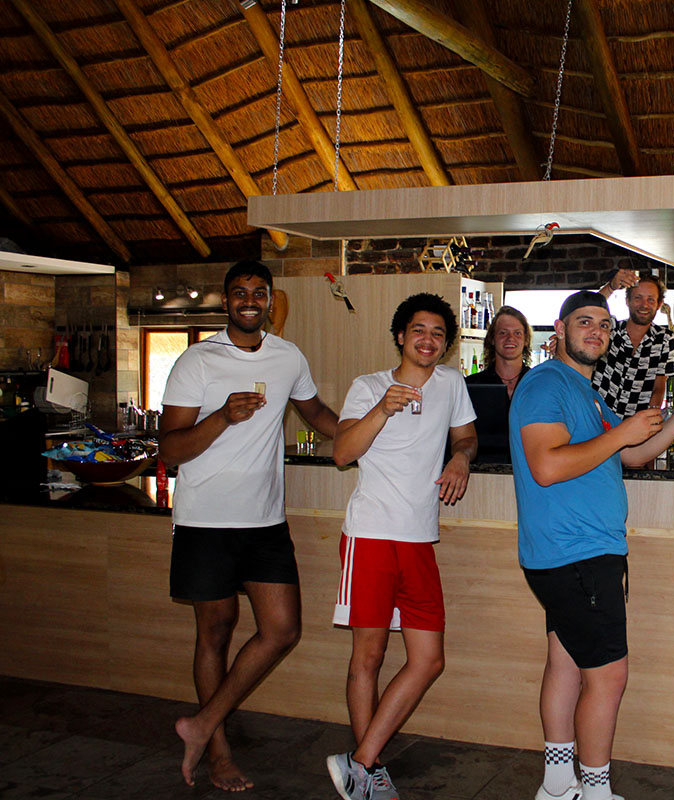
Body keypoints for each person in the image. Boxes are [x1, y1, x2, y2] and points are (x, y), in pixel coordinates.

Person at [510, 290, 674, 800]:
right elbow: (548, 466)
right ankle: (596, 790)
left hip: (577, 552)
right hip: (574, 552)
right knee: (609, 676)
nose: (596, 331)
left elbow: (634, 455)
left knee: (566, 661)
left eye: (604, 324)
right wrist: (619, 433)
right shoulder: (544, 384)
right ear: (559, 329)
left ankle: (558, 783)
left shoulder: (586, 390)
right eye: (585, 322)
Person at [161, 259, 339, 791]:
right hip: (204, 520)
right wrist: (221, 417)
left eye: (258, 292)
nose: (249, 300)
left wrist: (368, 433)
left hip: (264, 521)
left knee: (281, 630)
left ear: (268, 300)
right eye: (239, 292)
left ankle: (200, 723)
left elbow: (318, 415)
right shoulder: (197, 361)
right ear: (225, 301)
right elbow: (170, 450)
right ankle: (217, 752)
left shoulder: (288, 357)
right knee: (213, 633)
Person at [325, 293, 478, 800]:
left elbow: (467, 437)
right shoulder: (368, 386)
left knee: (428, 658)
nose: (427, 340)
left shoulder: (453, 383)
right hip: (370, 535)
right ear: (400, 335)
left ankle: (360, 763)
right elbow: (342, 453)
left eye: (437, 333)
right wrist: (381, 408)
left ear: (446, 343)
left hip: (418, 539)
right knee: (367, 657)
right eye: (418, 330)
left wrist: (460, 459)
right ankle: (367, 772)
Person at [592, 267, 674, 416]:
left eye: (650, 299)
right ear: (627, 301)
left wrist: (651, 418)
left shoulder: (664, 338)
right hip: (596, 420)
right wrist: (611, 287)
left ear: (659, 304)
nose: (644, 305)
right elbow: (587, 309)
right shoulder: (610, 329)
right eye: (638, 298)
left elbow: (659, 387)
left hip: (635, 426)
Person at [466, 305, 533, 459]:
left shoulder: (538, 383)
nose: (510, 338)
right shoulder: (471, 386)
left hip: (531, 474)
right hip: (483, 476)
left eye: (517, 333)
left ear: (525, 340)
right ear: (492, 339)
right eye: (503, 333)